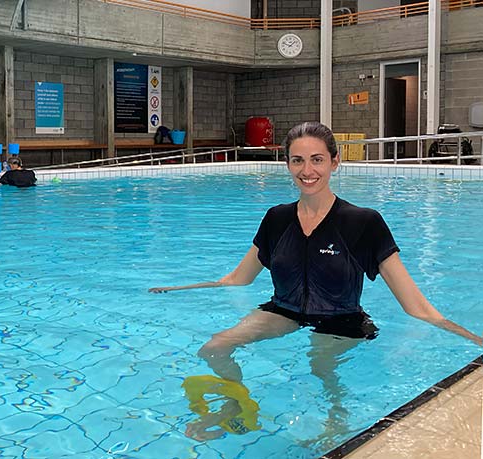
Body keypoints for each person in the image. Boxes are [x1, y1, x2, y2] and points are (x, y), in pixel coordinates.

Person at [149, 121, 483, 438]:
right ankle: (236, 400)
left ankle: (337, 419)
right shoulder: (276, 218)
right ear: (287, 164)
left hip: (341, 318)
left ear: (335, 162)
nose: (307, 171)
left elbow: (417, 307)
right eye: (298, 160)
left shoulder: (363, 222)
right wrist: (180, 288)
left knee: (320, 365)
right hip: (285, 310)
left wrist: (472, 339)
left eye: (317, 160)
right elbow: (239, 278)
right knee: (215, 347)